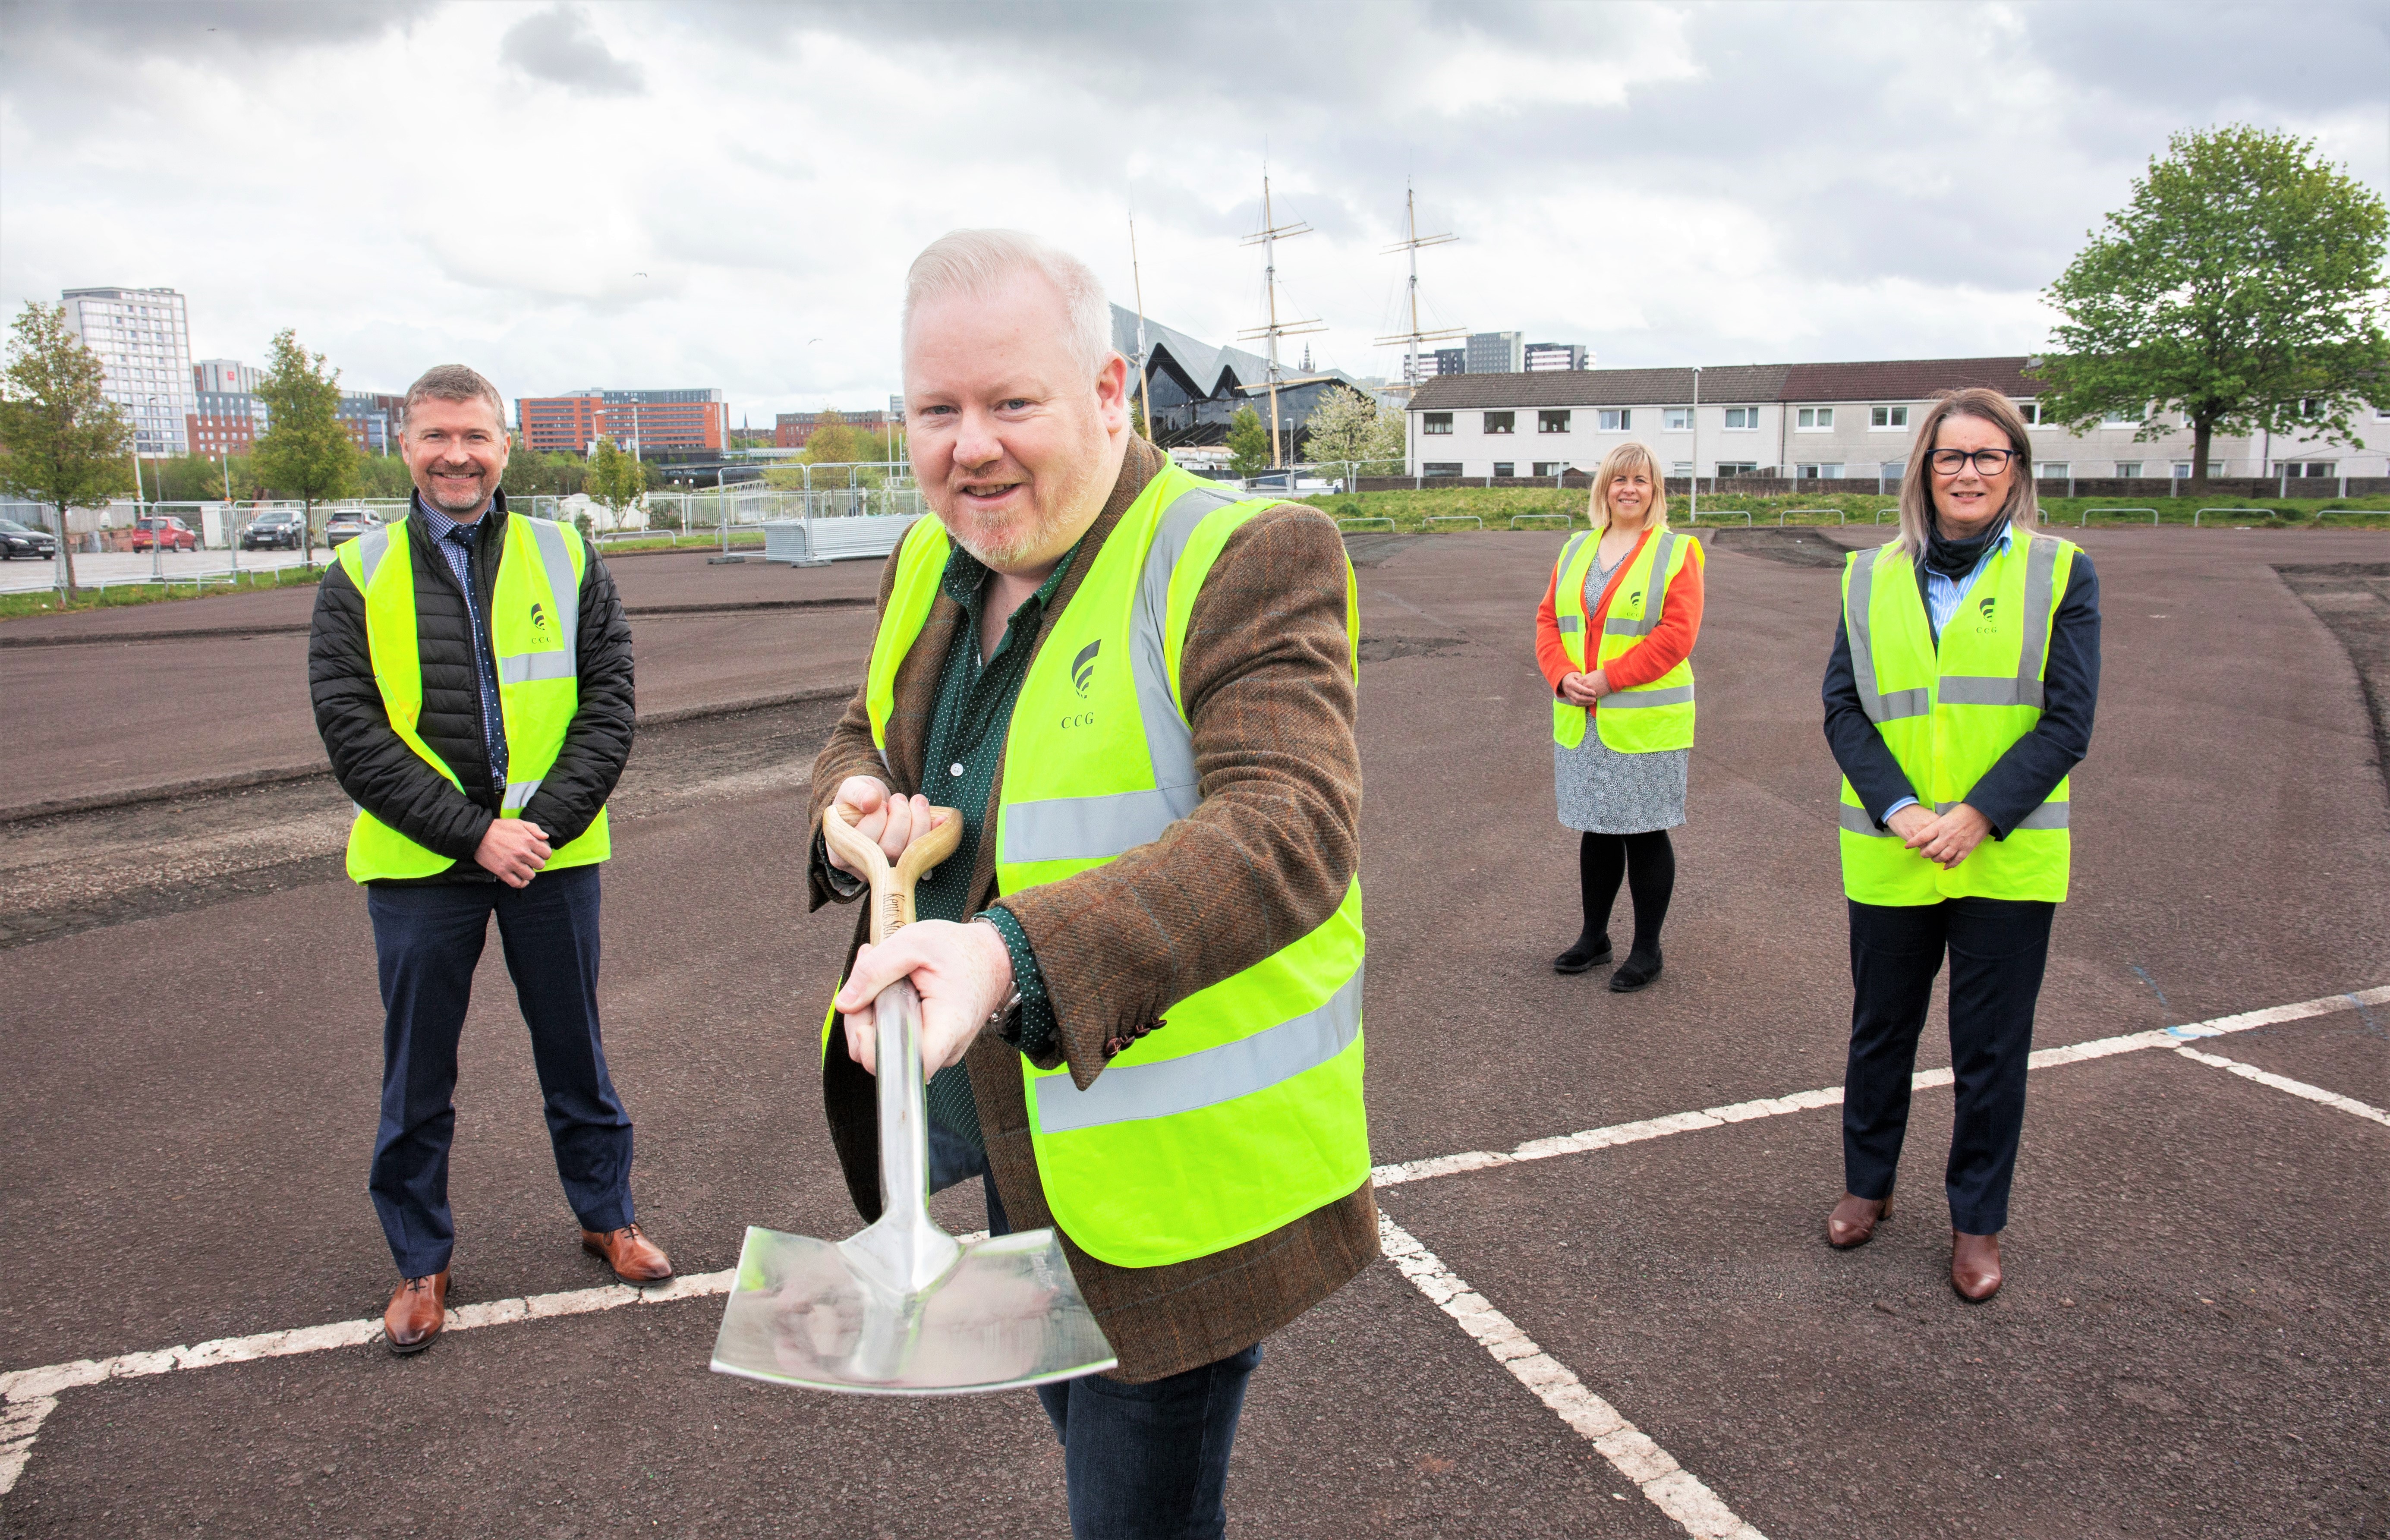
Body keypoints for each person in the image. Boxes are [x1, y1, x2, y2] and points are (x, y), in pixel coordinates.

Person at [806, 230, 1372, 1538]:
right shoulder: (929, 561)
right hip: (1023, 1140)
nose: (969, 445)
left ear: (1111, 393)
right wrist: (851, 800)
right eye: (935, 410)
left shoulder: (1243, 553)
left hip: (1178, 1181)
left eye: (1012, 402)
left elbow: (1290, 822)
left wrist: (1003, 953)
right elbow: (864, 728)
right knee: (1090, 1447)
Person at [308, 365, 668, 1356]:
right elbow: (353, 730)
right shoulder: (358, 573)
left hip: (552, 854)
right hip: (422, 867)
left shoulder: (568, 555)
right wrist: (474, 832)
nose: (455, 454)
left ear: (504, 446)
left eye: (474, 436)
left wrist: (536, 824)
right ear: (406, 446)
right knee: (416, 1072)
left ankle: (609, 1215)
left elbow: (611, 701)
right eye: (435, 436)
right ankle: (420, 1258)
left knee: (577, 1052)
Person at [1820, 386, 2100, 1302]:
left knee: (1988, 1047)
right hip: (1892, 845)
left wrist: (1977, 814)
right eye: (1952, 456)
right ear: (1924, 470)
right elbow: (1844, 706)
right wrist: (1899, 806)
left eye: (1988, 456)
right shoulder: (1866, 576)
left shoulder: (2062, 571)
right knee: (1880, 1031)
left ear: (2015, 470)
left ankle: (1977, 1220)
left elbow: (2067, 720)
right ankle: (1869, 1184)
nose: (1968, 471)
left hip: (2005, 854)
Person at [1534, 442, 1705, 992]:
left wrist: (1608, 679)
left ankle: (1647, 947)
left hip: (1643, 722)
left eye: (1641, 480)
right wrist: (1561, 676)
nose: (1628, 489)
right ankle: (1594, 937)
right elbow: (1547, 620)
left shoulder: (1677, 552)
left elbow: (1676, 635)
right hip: (1583, 719)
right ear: (1603, 488)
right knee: (1597, 830)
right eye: (1618, 480)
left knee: (1645, 832)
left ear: (1655, 491)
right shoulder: (1577, 547)